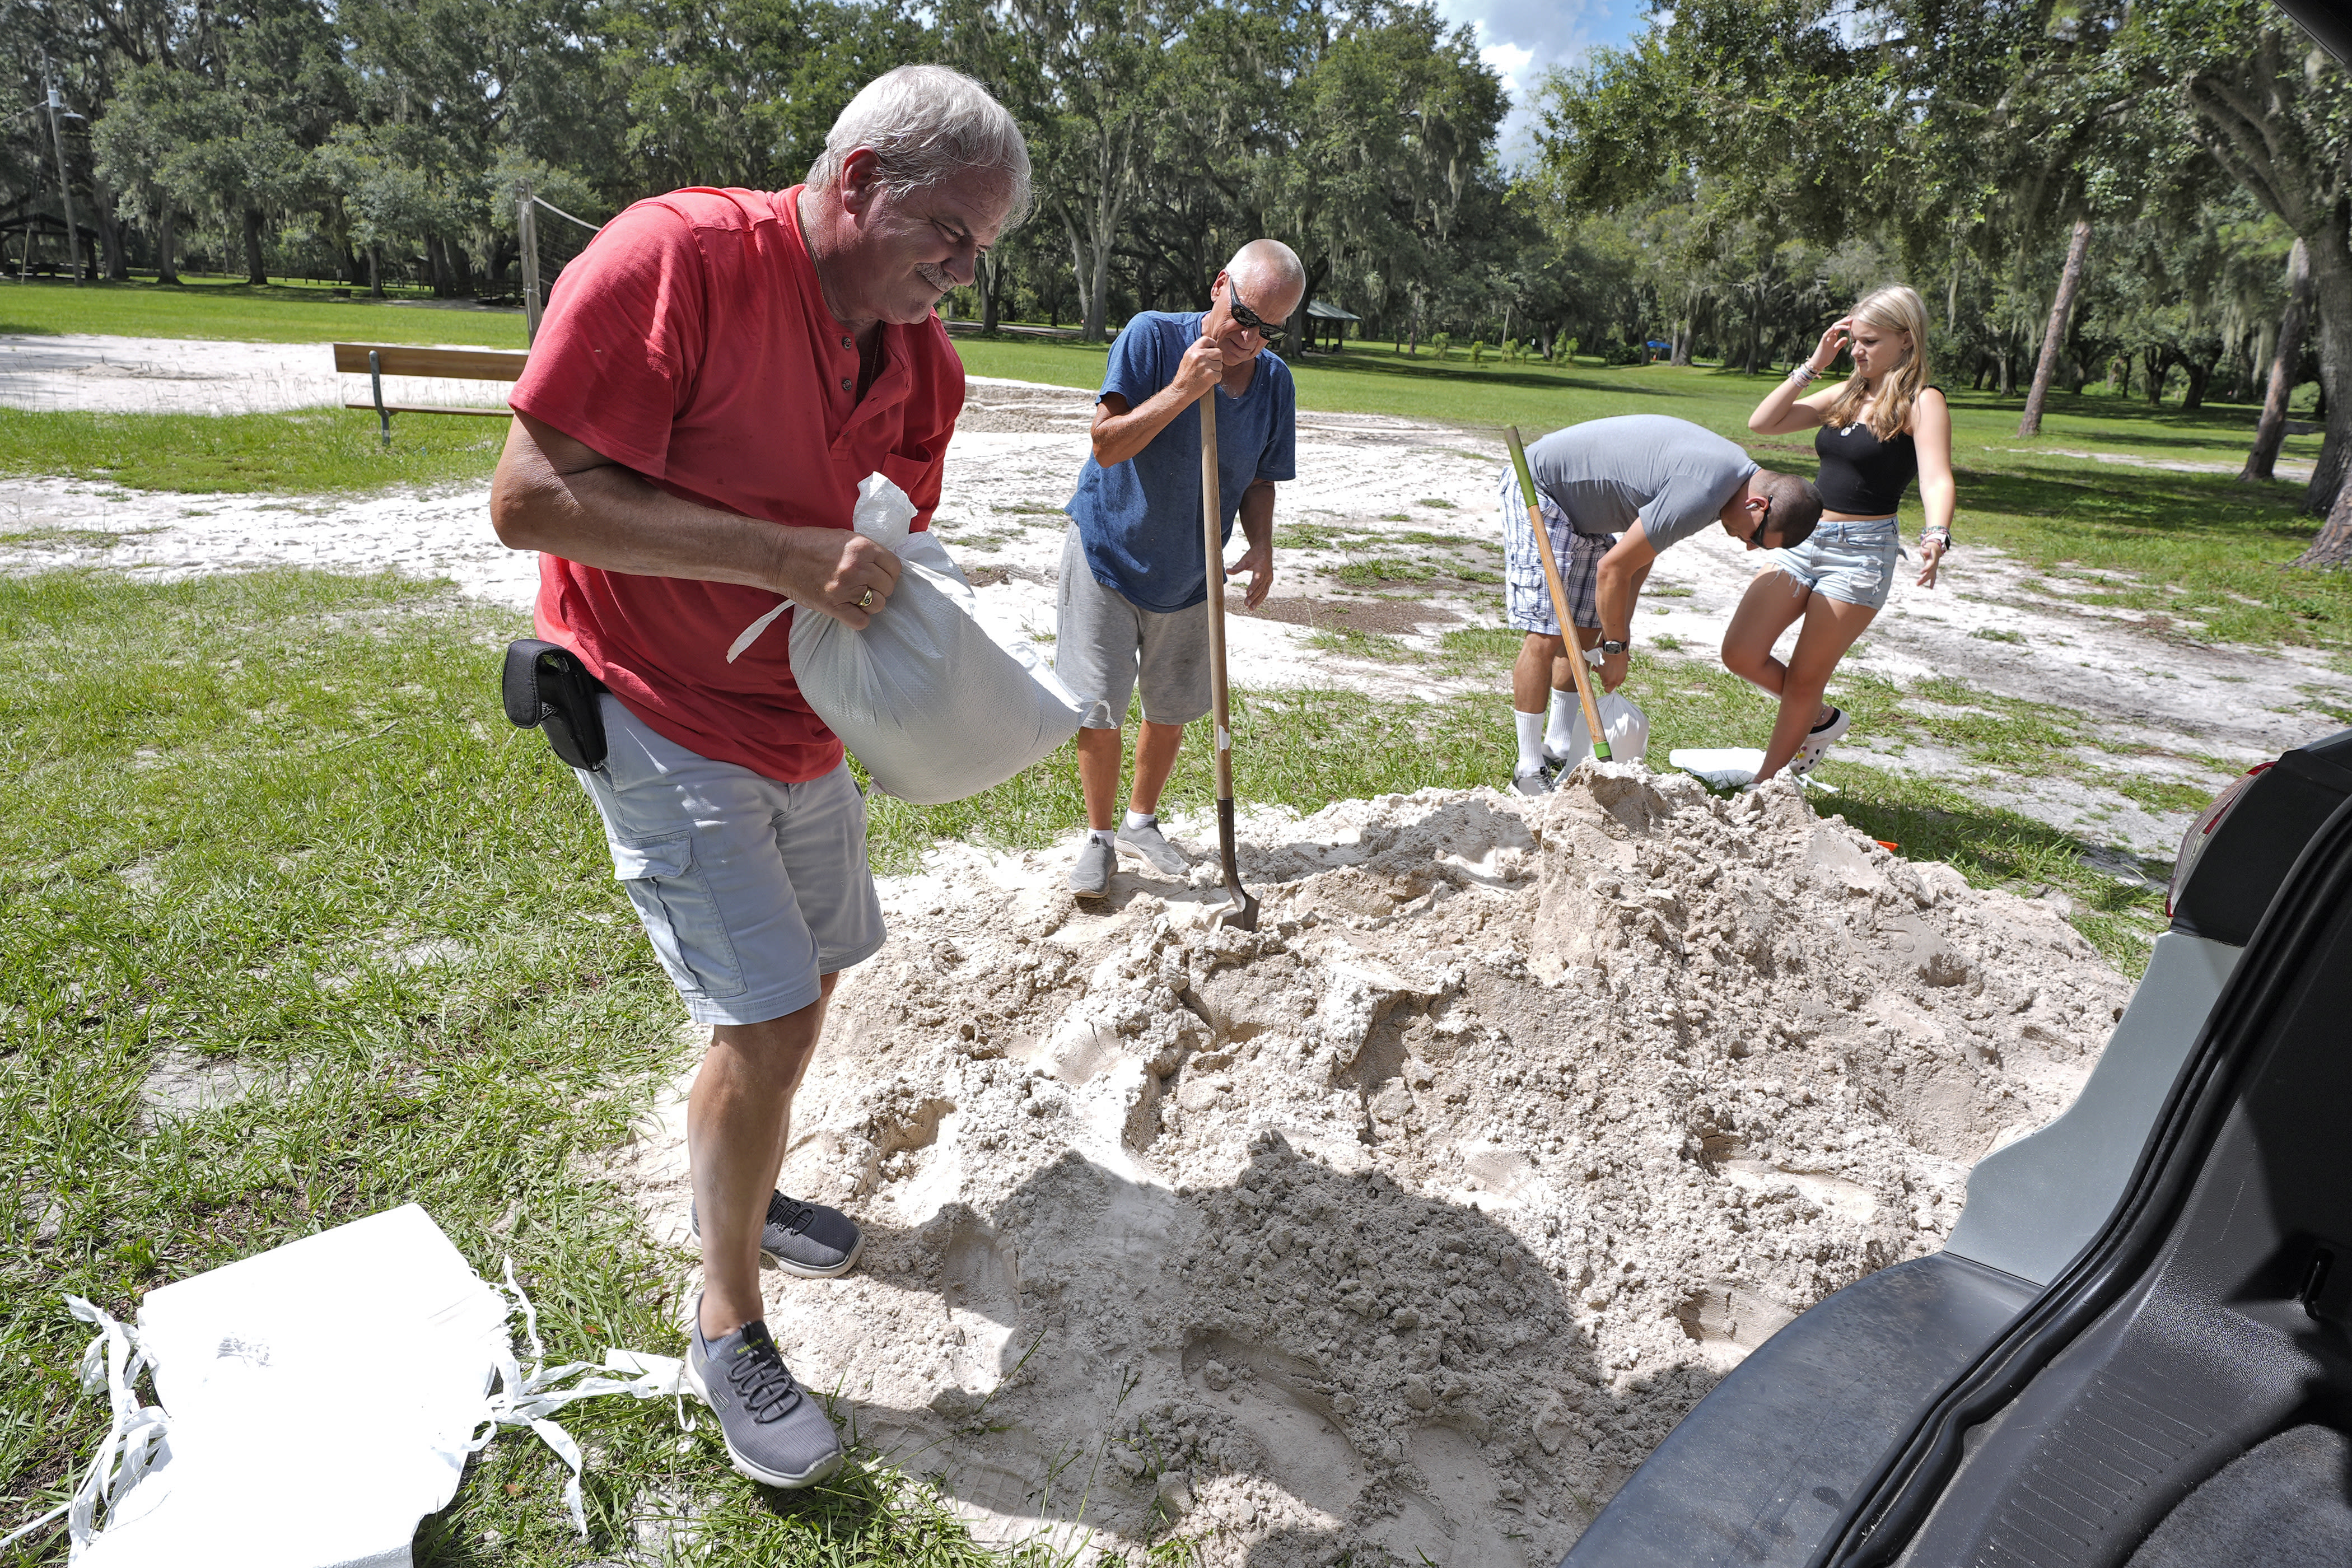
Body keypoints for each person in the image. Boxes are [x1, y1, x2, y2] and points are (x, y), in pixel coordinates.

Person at [486, 66, 1028, 1490]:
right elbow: (528, 498)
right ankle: (728, 1322)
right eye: (949, 235)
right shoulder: (678, 260)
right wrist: (784, 557)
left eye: (984, 250)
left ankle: (746, 1179)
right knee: (770, 1010)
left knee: (808, 985)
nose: (962, 275)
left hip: (799, 720)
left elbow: (883, 527)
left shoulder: (926, 359)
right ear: (857, 183)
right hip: (657, 702)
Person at [1056, 240, 1305, 895]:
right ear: (1220, 285)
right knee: (1101, 706)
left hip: (1194, 571)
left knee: (1170, 707)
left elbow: (1259, 480)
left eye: (1269, 330)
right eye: (1245, 317)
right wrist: (1182, 390)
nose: (1251, 339)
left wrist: (1262, 543)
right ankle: (1100, 839)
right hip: (1107, 551)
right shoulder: (1150, 337)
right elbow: (1106, 446)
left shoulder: (1275, 383)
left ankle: (1143, 821)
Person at [1504, 414, 1824, 794]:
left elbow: (1639, 558)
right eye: (1756, 536)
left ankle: (1557, 746)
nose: (1749, 544)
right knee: (1546, 635)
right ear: (1757, 505)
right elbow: (1613, 569)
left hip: (1585, 514)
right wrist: (1617, 647)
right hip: (1542, 491)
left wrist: (1615, 632)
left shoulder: (1727, 483)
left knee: (1586, 630)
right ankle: (1527, 770)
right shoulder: (1704, 490)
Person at [1730, 285, 1954, 782]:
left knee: (1806, 677)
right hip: (1804, 541)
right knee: (1740, 652)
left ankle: (1766, 791)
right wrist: (1814, 363)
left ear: (1906, 340)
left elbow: (1936, 475)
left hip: (1862, 554)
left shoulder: (1922, 402)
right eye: (1854, 339)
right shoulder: (1846, 393)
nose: (1858, 350)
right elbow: (1763, 423)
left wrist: (1937, 534)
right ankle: (1821, 720)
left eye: (1870, 341)